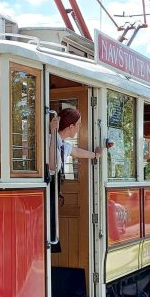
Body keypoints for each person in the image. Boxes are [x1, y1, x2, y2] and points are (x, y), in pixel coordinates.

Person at [48, 107, 103, 252]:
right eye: (78, 125)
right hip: (47, 191)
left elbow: (77, 152)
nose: (79, 128)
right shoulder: (50, 140)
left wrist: (95, 155)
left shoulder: (64, 145)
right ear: (70, 126)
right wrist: (53, 133)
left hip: (53, 193)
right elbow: (52, 166)